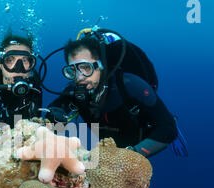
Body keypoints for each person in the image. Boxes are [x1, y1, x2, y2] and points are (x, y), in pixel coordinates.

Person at [47, 35, 179, 158]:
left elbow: (168, 128)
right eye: (73, 71)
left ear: (100, 66)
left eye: (86, 68)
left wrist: (132, 154)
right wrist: (53, 117)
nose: (79, 77)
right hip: (108, 148)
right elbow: (55, 109)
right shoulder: (74, 91)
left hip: (138, 142)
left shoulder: (130, 85)